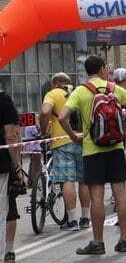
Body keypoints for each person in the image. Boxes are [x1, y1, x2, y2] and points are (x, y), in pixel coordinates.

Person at [58, 56, 126, 255]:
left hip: (92, 149)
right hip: (115, 148)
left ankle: (98, 242)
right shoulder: (114, 88)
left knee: (97, 196)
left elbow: (62, 116)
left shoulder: (81, 91)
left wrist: (74, 136)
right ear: (102, 69)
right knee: (120, 194)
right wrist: (125, 124)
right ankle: (124, 240)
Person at [39, 73, 92, 230]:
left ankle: (72, 220)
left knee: (67, 180)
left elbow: (44, 112)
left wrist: (43, 129)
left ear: (55, 83)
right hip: (82, 140)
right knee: (83, 181)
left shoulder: (53, 93)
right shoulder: (79, 92)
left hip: (62, 141)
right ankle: (85, 218)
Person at [0, 89, 21, 263]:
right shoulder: (3, 99)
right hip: (0, 164)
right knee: (2, 208)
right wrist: (17, 166)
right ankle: (3, 254)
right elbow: (11, 135)